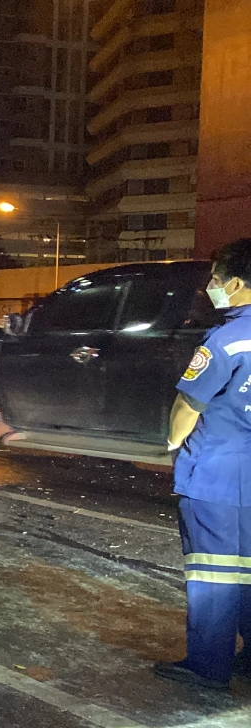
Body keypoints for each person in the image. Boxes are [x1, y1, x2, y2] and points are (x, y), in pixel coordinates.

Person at [159, 238, 251, 690]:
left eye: (216, 279)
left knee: (215, 575)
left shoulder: (226, 339)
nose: (212, 286)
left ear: (236, 283)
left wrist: (173, 441)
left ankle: (208, 668)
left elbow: (188, 405)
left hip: (216, 476)